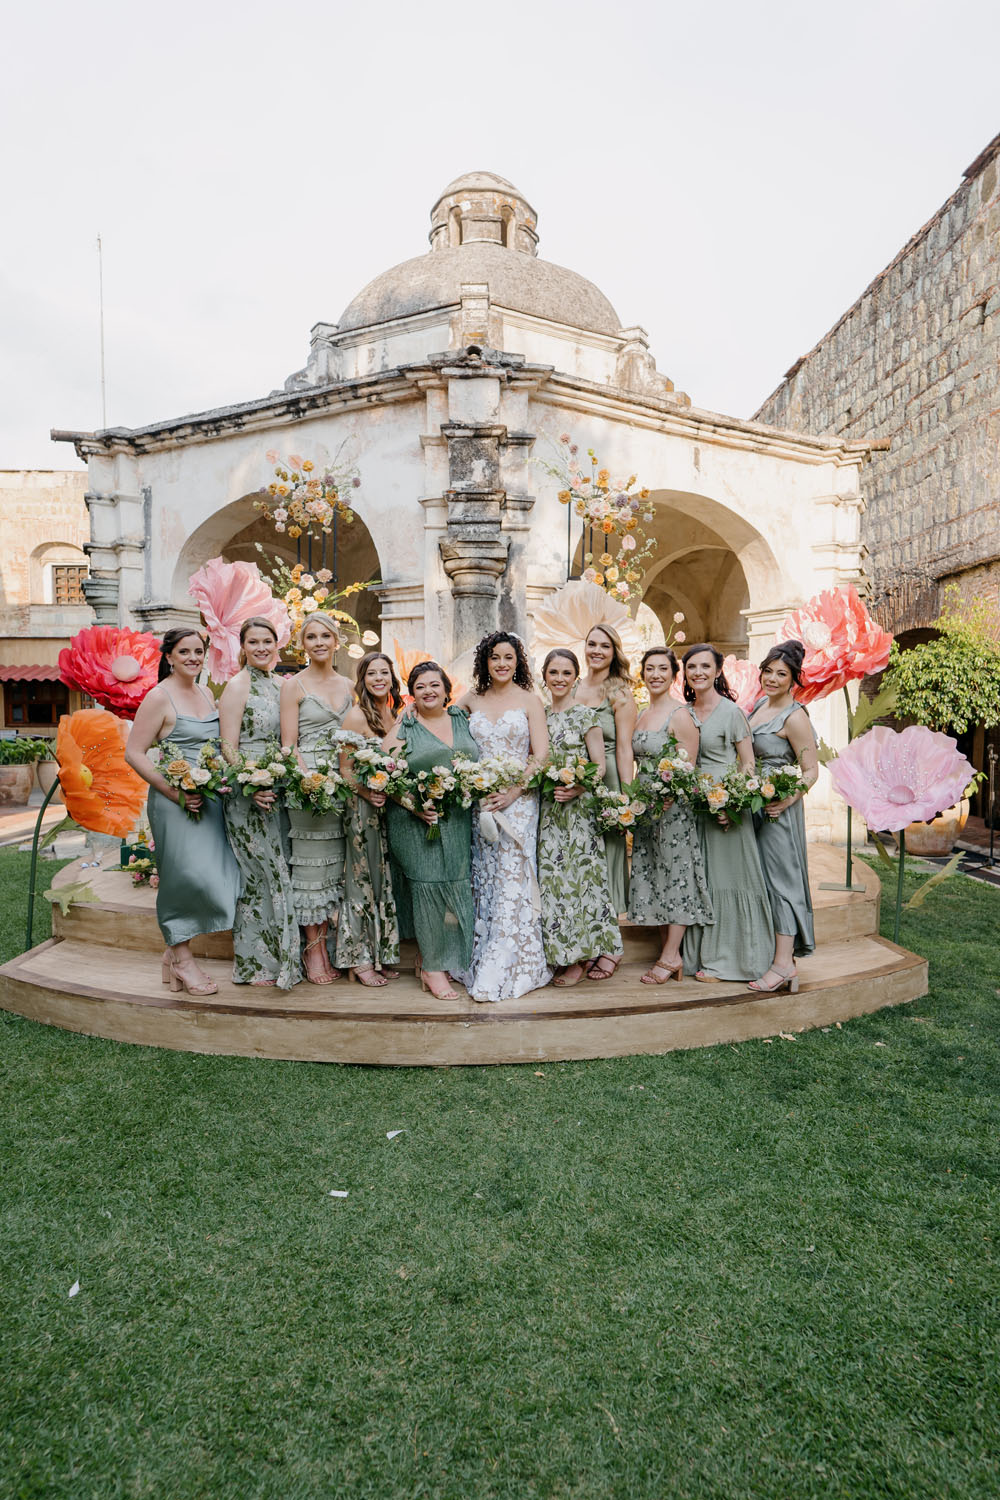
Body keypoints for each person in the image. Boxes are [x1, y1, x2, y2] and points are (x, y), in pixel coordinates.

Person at [125, 628, 240, 996]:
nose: (193, 657)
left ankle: (172, 954)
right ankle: (183, 959)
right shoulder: (159, 697)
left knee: (219, 878)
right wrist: (173, 791)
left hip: (209, 799)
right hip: (174, 802)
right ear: (169, 657)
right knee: (182, 878)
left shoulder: (206, 692)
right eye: (185, 651)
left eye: (199, 651)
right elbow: (135, 752)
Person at [454, 632, 551, 1003]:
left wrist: (514, 791)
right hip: (481, 801)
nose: (501, 664)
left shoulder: (529, 700)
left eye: (508, 657)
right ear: (485, 662)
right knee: (486, 875)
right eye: (495, 657)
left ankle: (513, 963)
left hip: (519, 800)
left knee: (513, 876)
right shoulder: (471, 698)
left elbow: (540, 755)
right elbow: (439, 720)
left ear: (518, 661)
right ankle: (481, 956)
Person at [679, 643, 775, 983]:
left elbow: (748, 763)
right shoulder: (685, 711)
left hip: (728, 810)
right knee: (704, 880)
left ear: (718, 671)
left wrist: (732, 805)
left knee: (730, 880)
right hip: (696, 807)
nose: (698, 672)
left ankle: (732, 960)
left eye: (705, 666)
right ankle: (701, 955)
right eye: (692, 667)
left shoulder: (732, 712)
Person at [384, 662, 479, 1001]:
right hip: (415, 822)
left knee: (452, 886)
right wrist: (414, 804)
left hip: (457, 820)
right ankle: (433, 970)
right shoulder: (407, 723)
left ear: (446, 687)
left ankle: (431, 956)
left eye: (434, 684)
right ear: (413, 692)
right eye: (420, 686)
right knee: (427, 887)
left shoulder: (460, 718)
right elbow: (380, 772)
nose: (428, 691)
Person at [217, 617, 300, 990]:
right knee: (259, 877)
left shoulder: (281, 685)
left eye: (268, 641)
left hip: (277, 790)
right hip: (246, 795)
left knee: (279, 873)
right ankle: (254, 963)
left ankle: (285, 957)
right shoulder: (237, 687)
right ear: (243, 646)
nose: (262, 648)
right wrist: (250, 785)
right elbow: (228, 747)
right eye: (254, 642)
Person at [627, 647, 713, 983]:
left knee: (676, 876)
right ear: (643, 674)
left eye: (663, 669)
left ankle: (671, 955)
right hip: (646, 809)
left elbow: (687, 768)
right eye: (650, 669)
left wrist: (666, 799)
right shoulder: (644, 714)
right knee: (654, 874)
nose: (656, 675)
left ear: (673, 675)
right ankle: (668, 949)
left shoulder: (680, 715)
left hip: (672, 810)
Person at [537, 648, 622, 987]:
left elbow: (600, 766)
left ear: (575, 677)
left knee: (581, 883)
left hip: (578, 812)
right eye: (553, 672)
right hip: (547, 812)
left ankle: (582, 958)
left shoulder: (587, 716)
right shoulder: (539, 715)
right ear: (545, 676)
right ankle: (561, 952)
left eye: (565, 673)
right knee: (553, 886)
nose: (559, 679)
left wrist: (577, 788)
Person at [279, 614, 352, 985]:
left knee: (335, 869)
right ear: (302, 644)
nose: (319, 642)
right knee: (310, 872)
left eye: (325, 635)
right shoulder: (293, 686)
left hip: (346, 784)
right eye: (311, 636)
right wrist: (311, 781)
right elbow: (288, 745)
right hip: (307, 787)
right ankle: (314, 952)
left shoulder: (351, 684)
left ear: (336, 641)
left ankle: (334, 944)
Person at [747, 639, 819, 994]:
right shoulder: (760, 705)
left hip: (777, 812)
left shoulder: (795, 717)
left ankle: (783, 966)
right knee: (760, 880)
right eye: (768, 671)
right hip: (753, 808)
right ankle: (773, 956)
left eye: (781, 674)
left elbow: (810, 771)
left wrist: (785, 801)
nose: (772, 679)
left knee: (782, 883)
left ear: (793, 680)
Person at [334, 651, 403, 986]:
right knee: (362, 882)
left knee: (382, 881)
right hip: (362, 809)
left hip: (389, 809)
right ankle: (357, 959)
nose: (379, 679)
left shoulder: (395, 714)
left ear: (392, 678)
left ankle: (380, 953)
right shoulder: (356, 716)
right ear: (363, 680)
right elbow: (344, 770)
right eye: (372, 674)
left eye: (384, 673)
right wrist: (365, 793)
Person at [574, 622, 637, 978]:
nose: (597, 651)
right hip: (573, 781)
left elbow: (625, 747)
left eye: (605, 646)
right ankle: (586, 940)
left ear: (615, 653)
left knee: (610, 860)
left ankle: (611, 947)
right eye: (592, 644)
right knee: (583, 862)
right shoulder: (573, 685)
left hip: (608, 778)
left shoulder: (620, 692)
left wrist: (625, 797)